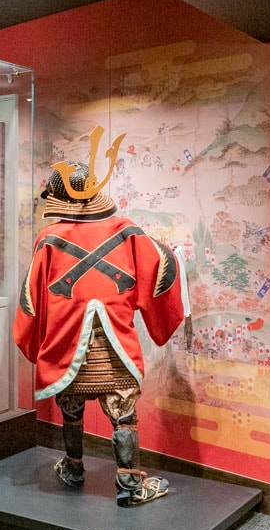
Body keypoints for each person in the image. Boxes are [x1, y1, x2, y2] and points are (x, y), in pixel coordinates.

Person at [13, 161, 187, 507]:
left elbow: (31, 298)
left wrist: (33, 341)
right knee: (123, 415)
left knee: (71, 406)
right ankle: (130, 485)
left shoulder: (49, 239)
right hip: (115, 344)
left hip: (66, 342)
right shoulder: (129, 232)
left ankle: (74, 468)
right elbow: (161, 269)